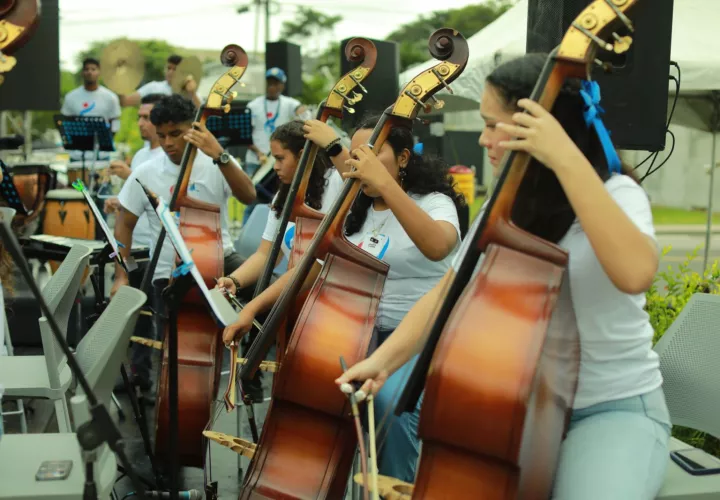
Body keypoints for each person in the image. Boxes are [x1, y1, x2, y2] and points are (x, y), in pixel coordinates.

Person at [336, 53, 671, 499]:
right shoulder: (505, 207)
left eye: (494, 125)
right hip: (516, 410)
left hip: (608, 409)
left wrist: (565, 158)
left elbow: (635, 273)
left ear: (542, 127)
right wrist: (382, 362)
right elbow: (447, 292)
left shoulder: (616, 192)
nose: (484, 138)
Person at [223, 113, 464, 483]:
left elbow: (437, 246)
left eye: (371, 154)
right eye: (354, 155)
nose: (358, 163)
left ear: (403, 158)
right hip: (359, 332)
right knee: (319, 389)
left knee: (389, 408)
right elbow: (313, 267)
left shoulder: (434, 202)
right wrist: (252, 308)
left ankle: (397, 487)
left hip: (418, 340)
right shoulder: (356, 208)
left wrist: (386, 187)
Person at [111, 94, 256, 384]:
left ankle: (250, 370)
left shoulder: (217, 163)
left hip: (220, 261)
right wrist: (121, 275)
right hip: (168, 272)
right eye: (162, 135)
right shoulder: (146, 172)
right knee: (172, 349)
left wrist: (220, 155)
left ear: (193, 127)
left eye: (176, 134)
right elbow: (124, 224)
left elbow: (249, 195)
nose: (167, 143)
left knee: (266, 288)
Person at [215, 119, 347, 401]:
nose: (273, 166)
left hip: (330, 310)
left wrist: (333, 144)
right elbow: (265, 254)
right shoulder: (284, 194)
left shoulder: (335, 183)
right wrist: (235, 280)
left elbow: (356, 181)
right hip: (292, 304)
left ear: (303, 156)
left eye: (279, 158)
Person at [103, 92, 165, 392]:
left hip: (153, 249)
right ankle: (140, 375)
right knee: (139, 319)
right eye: (139, 116)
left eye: (146, 117)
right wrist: (119, 201)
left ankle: (165, 383)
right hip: (135, 245)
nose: (141, 122)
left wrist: (129, 176)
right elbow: (134, 204)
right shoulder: (141, 155)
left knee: (159, 318)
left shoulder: (164, 157)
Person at [242, 68, 309, 224]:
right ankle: (245, 236)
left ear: (282, 86)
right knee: (253, 200)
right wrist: (258, 153)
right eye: (270, 82)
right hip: (256, 161)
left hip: (278, 162)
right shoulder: (253, 105)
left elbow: (301, 110)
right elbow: (245, 134)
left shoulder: (288, 103)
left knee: (278, 201)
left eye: (276, 83)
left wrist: (304, 113)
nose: (272, 86)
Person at [61, 57, 122, 161]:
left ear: (99, 73)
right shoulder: (71, 97)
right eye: (86, 69)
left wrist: (105, 143)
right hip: (77, 156)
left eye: (93, 69)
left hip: (102, 156)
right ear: (82, 73)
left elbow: (115, 124)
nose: (90, 72)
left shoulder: (110, 97)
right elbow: (64, 124)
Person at [119, 54, 201, 108]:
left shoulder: (190, 92)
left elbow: (202, 117)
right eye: (169, 68)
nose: (170, 72)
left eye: (175, 69)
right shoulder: (153, 87)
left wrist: (192, 93)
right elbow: (125, 102)